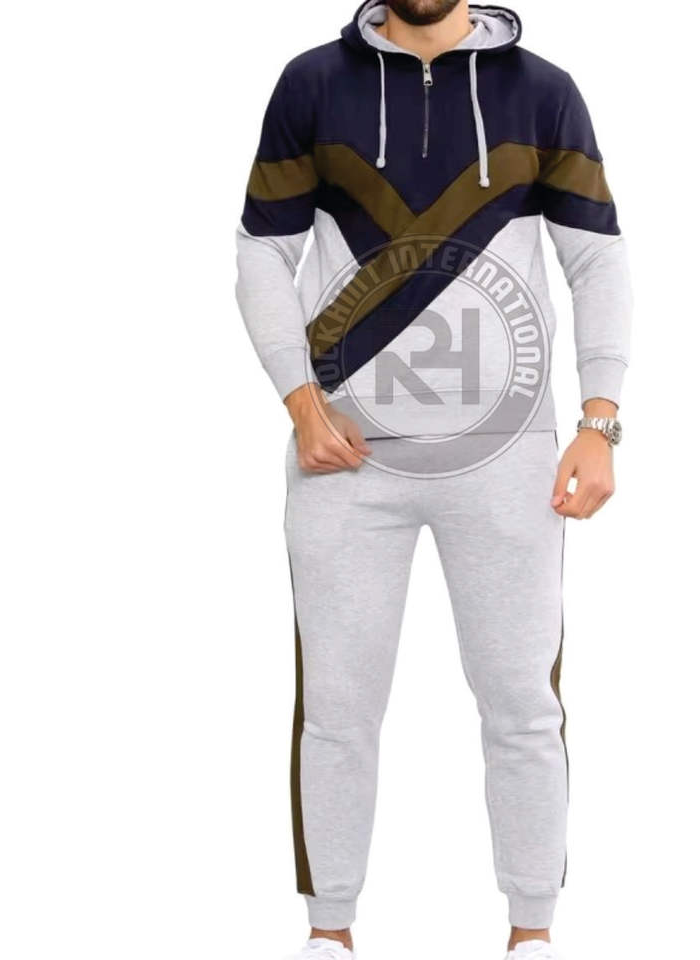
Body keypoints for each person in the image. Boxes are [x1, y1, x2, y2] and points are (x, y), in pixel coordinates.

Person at [235, 1, 631, 957]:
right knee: (337, 710)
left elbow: (597, 261)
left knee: (522, 705)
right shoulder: (311, 84)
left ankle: (531, 934)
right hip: (344, 459)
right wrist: (300, 403)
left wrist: (600, 422)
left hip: (506, 457)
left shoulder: (542, 93)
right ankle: (329, 933)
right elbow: (261, 253)